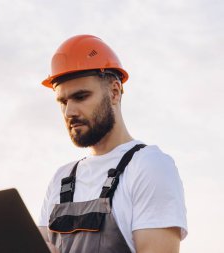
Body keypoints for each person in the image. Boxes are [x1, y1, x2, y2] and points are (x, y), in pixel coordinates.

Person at [38, 35, 187, 253]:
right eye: (63, 101)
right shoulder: (60, 180)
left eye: (81, 97)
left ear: (114, 92)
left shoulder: (149, 167)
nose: (69, 112)